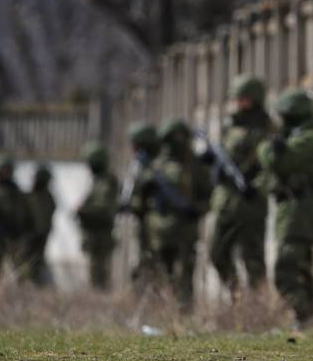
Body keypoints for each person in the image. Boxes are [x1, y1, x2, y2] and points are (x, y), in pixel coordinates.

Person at [257, 89, 313, 328]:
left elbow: (277, 161)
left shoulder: (311, 138)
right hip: (293, 209)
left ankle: (304, 314)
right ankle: (311, 318)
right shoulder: (298, 136)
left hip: (302, 210)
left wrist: (271, 149)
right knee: (301, 267)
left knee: (286, 269)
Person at [209, 75, 274, 300]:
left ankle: (258, 307)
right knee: (217, 253)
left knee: (253, 258)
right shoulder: (230, 126)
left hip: (251, 204)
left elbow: (271, 167)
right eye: (238, 99)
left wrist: (256, 187)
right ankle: (236, 294)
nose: (240, 103)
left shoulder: (267, 129)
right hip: (226, 202)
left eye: (245, 99)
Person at [139, 119, 212, 310]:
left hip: (185, 231)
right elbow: (141, 201)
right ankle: (159, 311)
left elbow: (208, 195)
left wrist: (197, 209)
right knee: (160, 273)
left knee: (185, 275)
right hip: (159, 232)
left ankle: (183, 313)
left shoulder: (195, 166)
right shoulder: (156, 166)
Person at [77, 141, 119, 291]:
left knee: (99, 274)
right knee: (94, 272)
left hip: (101, 236)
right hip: (94, 235)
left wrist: (85, 211)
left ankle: (100, 301)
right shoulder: (99, 181)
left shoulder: (106, 182)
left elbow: (104, 208)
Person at [123, 121, 160, 291]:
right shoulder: (137, 164)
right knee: (138, 264)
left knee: (151, 264)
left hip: (154, 223)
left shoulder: (156, 166)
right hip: (141, 221)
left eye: (135, 144)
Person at [26, 163, 57, 286]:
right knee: (28, 261)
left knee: (36, 261)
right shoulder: (31, 196)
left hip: (40, 235)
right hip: (29, 236)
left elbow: (47, 216)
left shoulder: (46, 198)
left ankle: (36, 282)